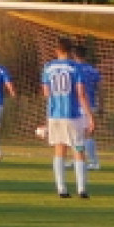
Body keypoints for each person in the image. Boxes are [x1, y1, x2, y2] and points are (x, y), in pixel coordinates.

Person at [41, 36, 94, 198]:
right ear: (70, 51)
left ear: (57, 50)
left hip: (55, 115)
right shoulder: (76, 67)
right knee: (78, 150)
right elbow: (81, 94)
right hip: (72, 115)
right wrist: (90, 116)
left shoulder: (48, 67)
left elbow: (46, 93)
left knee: (59, 150)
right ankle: (81, 189)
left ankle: (62, 189)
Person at [72, 44, 101, 169]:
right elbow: (100, 89)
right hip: (91, 104)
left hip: (78, 105)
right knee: (85, 134)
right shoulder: (93, 70)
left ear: (74, 55)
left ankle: (93, 162)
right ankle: (79, 159)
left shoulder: (73, 69)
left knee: (81, 135)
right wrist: (101, 104)